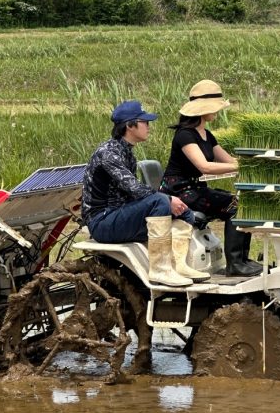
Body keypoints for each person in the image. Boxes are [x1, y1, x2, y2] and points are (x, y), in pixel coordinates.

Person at [81, 100, 207, 287]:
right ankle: (160, 270)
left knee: (184, 210)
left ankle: (179, 264)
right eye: (144, 122)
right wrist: (167, 199)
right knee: (161, 201)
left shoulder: (126, 152)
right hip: (102, 221)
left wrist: (172, 203)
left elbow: (133, 193)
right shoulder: (108, 153)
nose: (148, 126)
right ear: (130, 125)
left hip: (118, 214)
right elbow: (133, 188)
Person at [160, 80, 261, 277]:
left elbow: (228, 160)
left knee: (242, 203)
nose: (218, 112)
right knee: (235, 207)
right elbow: (204, 166)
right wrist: (238, 166)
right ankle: (235, 264)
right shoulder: (185, 135)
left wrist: (251, 164)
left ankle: (242, 259)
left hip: (196, 188)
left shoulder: (206, 134)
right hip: (179, 190)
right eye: (214, 108)